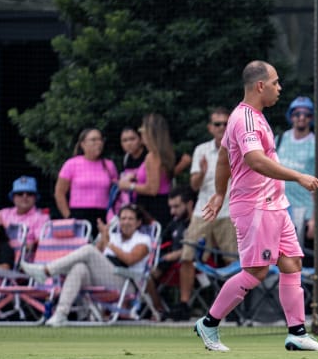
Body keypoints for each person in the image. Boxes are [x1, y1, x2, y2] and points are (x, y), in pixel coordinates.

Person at [193, 60, 318, 353]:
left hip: (275, 206)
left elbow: (223, 156)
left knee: (292, 263)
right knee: (256, 271)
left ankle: (297, 333)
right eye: (275, 82)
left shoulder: (255, 116)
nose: (279, 88)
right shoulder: (244, 119)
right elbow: (255, 160)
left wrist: (219, 193)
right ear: (260, 86)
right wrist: (298, 176)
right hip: (255, 207)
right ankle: (208, 323)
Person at [21, 204, 153, 327]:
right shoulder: (113, 236)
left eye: (130, 219)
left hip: (127, 283)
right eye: (123, 218)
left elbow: (130, 260)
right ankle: (61, 314)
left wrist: (109, 244)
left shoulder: (143, 239)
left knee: (88, 250)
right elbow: (96, 256)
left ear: (138, 222)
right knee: (79, 267)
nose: (126, 222)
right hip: (105, 277)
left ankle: (46, 271)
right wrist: (102, 238)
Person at [167, 107, 239, 322]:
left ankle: (233, 307)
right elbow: (194, 185)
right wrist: (205, 171)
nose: (222, 127)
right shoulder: (201, 150)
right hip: (203, 211)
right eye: (217, 124)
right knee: (187, 256)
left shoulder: (240, 149)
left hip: (229, 211)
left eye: (226, 123)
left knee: (233, 260)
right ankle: (184, 304)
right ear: (210, 128)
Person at [55, 127, 118, 236]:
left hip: (103, 215)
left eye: (100, 139)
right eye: (93, 140)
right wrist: (68, 217)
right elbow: (59, 193)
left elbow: (116, 192)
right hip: (79, 215)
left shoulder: (109, 165)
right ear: (83, 144)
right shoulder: (71, 164)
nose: (98, 143)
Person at [118, 113, 175, 225]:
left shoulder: (152, 156)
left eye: (142, 130)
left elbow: (152, 189)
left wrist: (129, 186)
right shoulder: (165, 153)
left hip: (151, 207)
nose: (141, 133)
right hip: (162, 204)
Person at [148, 186, 194, 318]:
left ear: (189, 204)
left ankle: (165, 309)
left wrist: (177, 254)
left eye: (176, 206)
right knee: (144, 272)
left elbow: (204, 246)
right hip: (168, 263)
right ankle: (157, 308)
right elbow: (163, 240)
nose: (172, 211)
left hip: (192, 262)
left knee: (149, 273)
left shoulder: (199, 223)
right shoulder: (175, 222)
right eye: (171, 207)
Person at [277, 96, 316, 239]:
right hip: (278, 208)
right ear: (291, 116)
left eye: (307, 114)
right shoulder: (280, 139)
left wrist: (314, 218)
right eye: (297, 114)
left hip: (304, 213)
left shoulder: (316, 144)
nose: (302, 117)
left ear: (311, 118)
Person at [0, 176, 49, 252]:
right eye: (20, 194)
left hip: (27, 257)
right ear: (13, 197)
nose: (25, 196)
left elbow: (41, 242)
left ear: (35, 198)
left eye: (29, 194)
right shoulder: (3, 214)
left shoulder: (42, 218)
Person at [116, 126, 146, 208]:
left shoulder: (149, 156)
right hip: (133, 203)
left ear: (141, 140)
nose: (129, 143)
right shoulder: (126, 158)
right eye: (124, 140)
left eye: (132, 139)